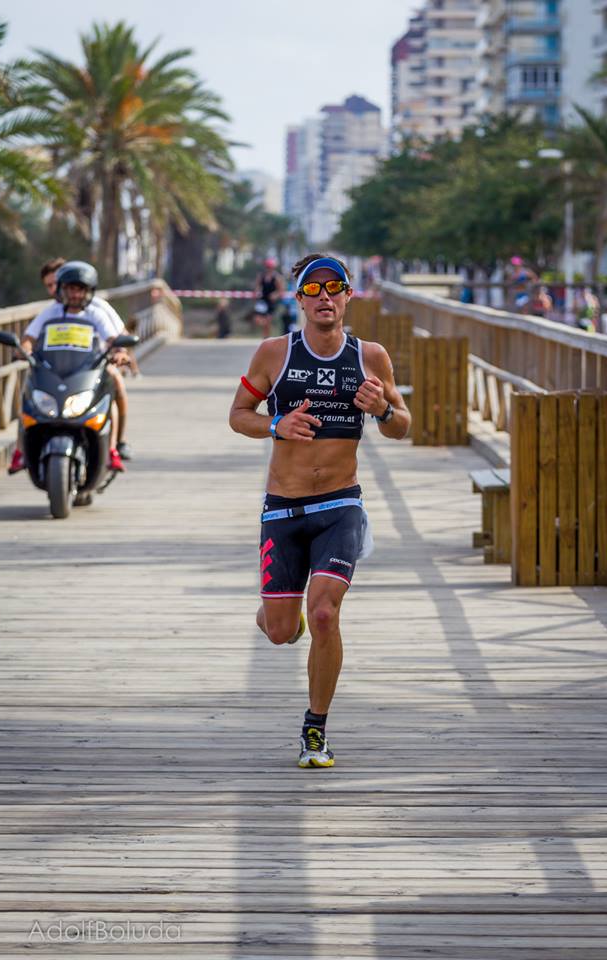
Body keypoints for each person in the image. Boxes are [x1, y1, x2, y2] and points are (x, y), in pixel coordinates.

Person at [229, 254, 410, 768]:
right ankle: (282, 617)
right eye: (314, 289)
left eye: (335, 288)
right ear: (300, 299)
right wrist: (276, 425)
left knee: (325, 613)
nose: (325, 297)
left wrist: (383, 410)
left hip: (340, 504)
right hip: (283, 508)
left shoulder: (370, 356)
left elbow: (402, 424)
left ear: (349, 295)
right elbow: (238, 415)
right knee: (281, 629)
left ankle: (315, 728)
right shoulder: (274, 353)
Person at [11, 261, 128, 474]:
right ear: (62, 289)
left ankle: (112, 448)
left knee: (109, 389)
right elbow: (29, 337)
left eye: (80, 290)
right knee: (27, 393)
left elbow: (113, 338)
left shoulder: (96, 312)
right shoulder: (51, 312)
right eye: (70, 289)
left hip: (89, 369)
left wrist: (119, 352)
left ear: (89, 291)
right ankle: (21, 450)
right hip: (55, 369)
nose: (75, 295)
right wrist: (24, 349)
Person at [253, 258, 285, 339]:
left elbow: (281, 291)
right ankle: (265, 335)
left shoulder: (277, 277)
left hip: (271, 302)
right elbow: (257, 286)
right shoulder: (261, 276)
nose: (269, 269)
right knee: (258, 320)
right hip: (262, 300)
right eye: (267, 267)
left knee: (268, 320)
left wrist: (275, 295)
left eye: (270, 267)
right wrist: (257, 292)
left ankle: (266, 338)